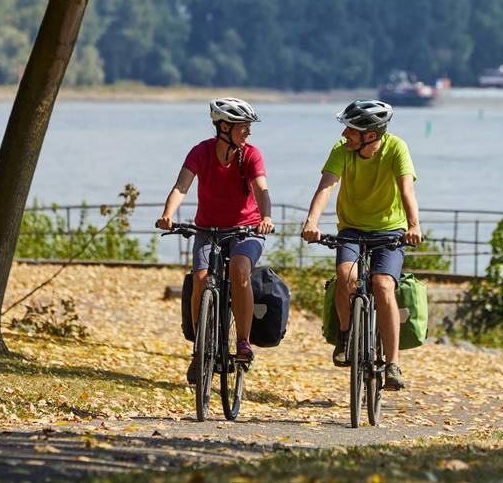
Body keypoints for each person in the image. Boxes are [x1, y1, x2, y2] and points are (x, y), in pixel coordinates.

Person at [301, 99, 422, 391]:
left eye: (351, 130)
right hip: (352, 229)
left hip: (390, 230)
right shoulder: (342, 150)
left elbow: (407, 189)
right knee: (346, 277)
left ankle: (392, 364)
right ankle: (346, 337)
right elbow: (326, 187)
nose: (345, 134)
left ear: (371, 134)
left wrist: (414, 225)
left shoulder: (396, 148)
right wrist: (312, 221)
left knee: (383, 285)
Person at [156, 97, 273, 383]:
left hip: (246, 230)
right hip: (208, 229)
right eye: (243, 126)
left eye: (248, 126)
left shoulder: (251, 155)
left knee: (239, 270)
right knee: (200, 278)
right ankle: (199, 350)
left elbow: (261, 189)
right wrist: (167, 214)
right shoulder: (201, 151)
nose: (248, 131)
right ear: (224, 127)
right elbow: (181, 186)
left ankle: (243, 342)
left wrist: (266, 217)